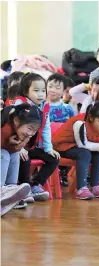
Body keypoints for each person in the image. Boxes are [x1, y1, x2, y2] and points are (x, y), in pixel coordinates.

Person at [52, 101, 99, 200]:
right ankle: (81, 188)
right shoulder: (80, 123)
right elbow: (83, 144)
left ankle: (95, 186)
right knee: (84, 153)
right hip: (61, 147)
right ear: (91, 117)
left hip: (78, 147)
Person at [14, 73, 60, 202]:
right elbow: (13, 128)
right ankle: (24, 189)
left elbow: (46, 128)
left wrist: (48, 148)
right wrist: (19, 148)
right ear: (25, 91)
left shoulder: (45, 105)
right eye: (36, 90)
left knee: (53, 158)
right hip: (18, 146)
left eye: (43, 90)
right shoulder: (20, 104)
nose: (40, 94)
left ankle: (35, 185)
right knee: (25, 158)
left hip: (33, 146)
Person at [1, 104, 43, 207]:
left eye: (35, 130)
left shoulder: (19, 132)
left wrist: (19, 146)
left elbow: (14, 149)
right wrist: (4, 143)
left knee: (14, 154)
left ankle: (12, 191)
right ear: (16, 121)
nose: (32, 133)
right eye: (30, 129)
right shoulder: (5, 127)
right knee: (5, 154)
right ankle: (2, 191)